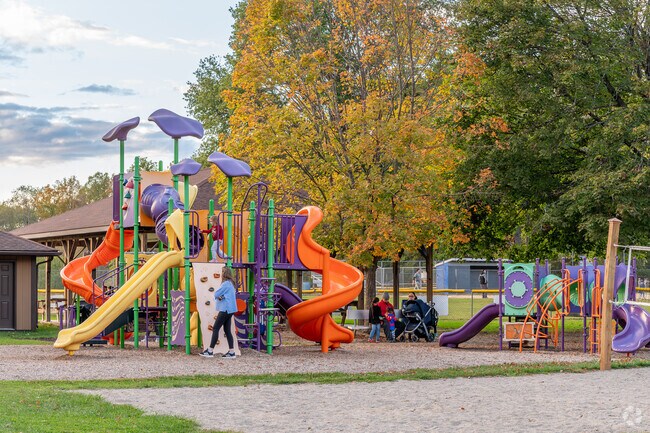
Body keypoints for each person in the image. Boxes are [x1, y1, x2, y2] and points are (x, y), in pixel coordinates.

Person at [200, 267, 238, 358]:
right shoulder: (231, 284)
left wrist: (219, 296)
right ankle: (232, 352)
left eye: (222, 272)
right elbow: (226, 295)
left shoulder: (225, 284)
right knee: (227, 330)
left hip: (225, 309)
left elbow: (216, 294)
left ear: (224, 274)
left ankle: (210, 351)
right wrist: (222, 296)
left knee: (216, 328)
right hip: (230, 310)